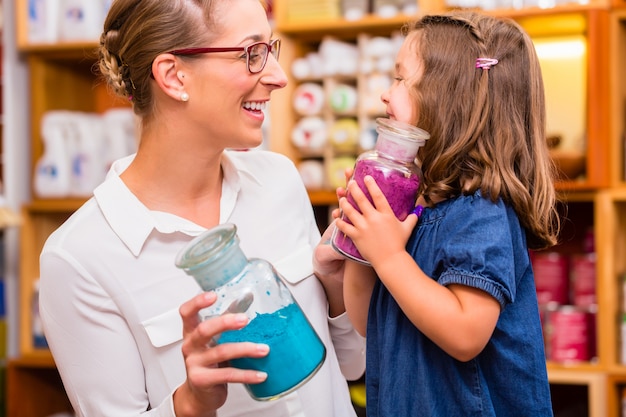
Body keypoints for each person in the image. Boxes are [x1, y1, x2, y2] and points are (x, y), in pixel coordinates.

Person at [38, 0, 365, 416]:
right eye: (251, 53)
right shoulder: (80, 258)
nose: (279, 77)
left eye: (271, 49)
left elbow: (350, 364)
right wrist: (190, 403)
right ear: (174, 76)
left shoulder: (278, 180)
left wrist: (338, 287)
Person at [335, 11, 559, 417]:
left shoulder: (482, 212)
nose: (386, 93)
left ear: (447, 97)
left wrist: (389, 256)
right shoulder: (420, 205)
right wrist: (362, 244)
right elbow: (372, 323)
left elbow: (465, 332)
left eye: (401, 78)